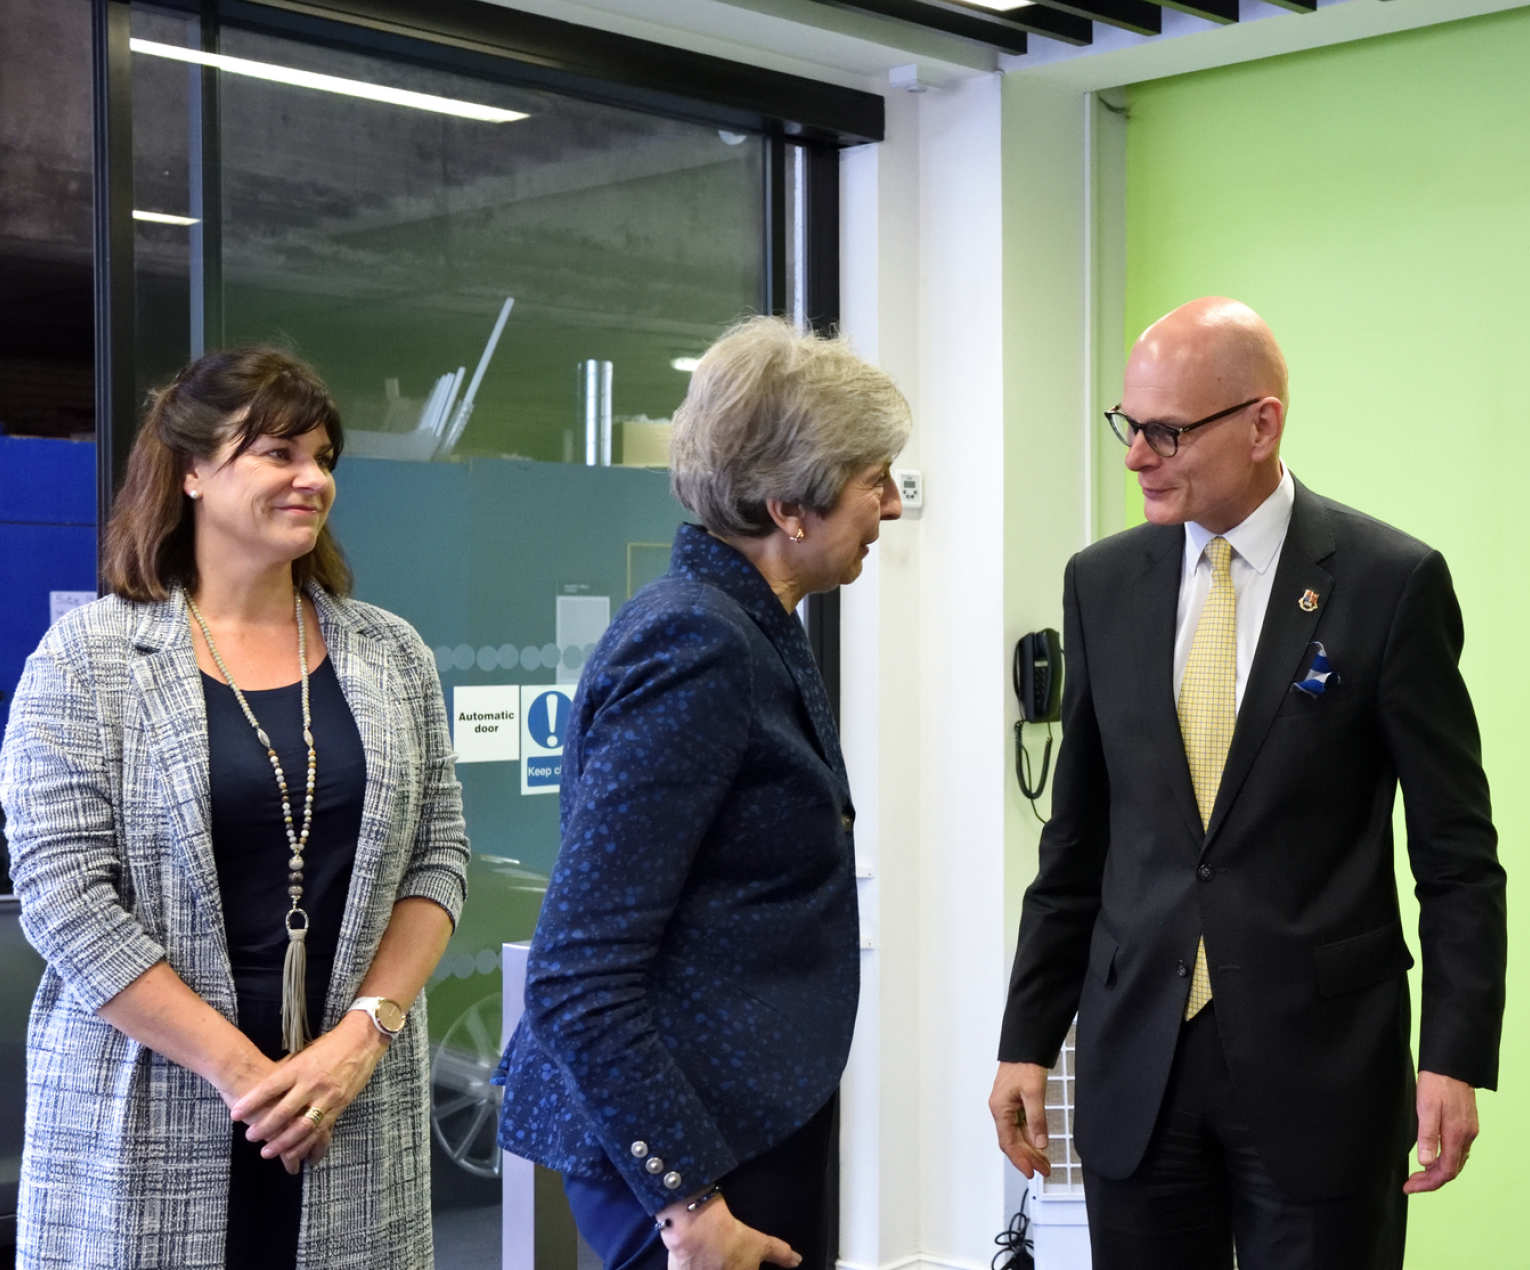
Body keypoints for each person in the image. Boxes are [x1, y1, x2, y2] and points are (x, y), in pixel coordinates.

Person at [990, 298, 1506, 1270]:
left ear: (1261, 425)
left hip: (1324, 1069)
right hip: (1138, 1065)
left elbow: (1456, 855)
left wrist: (1453, 1055)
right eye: (1128, 424)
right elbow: (1077, 842)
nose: (1136, 456)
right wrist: (1027, 1038)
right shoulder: (1102, 583)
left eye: (1166, 432)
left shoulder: (1388, 583)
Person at [0, 347, 469, 1269]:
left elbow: (438, 856)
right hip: (152, 1100)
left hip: (351, 1098)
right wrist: (244, 1072)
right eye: (279, 453)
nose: (313, 479)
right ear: (191, 471)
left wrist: (362, 1038)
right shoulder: (90, 659)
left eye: (323, 457)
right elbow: (63, 897)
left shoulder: (391, 653)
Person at [496, 315, 909, 1270]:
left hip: (735, 1128)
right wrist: (688, 1203)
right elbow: (575, 972)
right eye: (873, 480)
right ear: (789, 506)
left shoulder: (747, 624)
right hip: (691, 1164)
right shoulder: (699, 644)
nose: (891, 506)